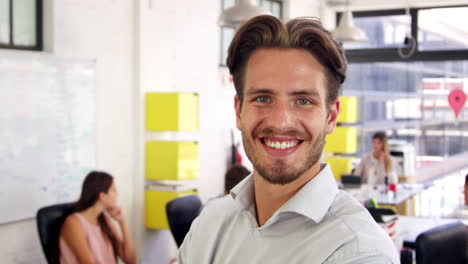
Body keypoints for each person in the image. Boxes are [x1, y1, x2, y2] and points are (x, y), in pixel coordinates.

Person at [178, 15, 399, 263]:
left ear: (331, 117)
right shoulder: (210, 224)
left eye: (303, 101)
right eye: (262, 98)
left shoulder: (359, 251)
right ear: (239, 111)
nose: (280, 122)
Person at [59, 171, 136, 264]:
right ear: (102, 196)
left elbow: (131, 260)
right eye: (114, 190)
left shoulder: (104, 220)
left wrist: (123, 222)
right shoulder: (74, 223)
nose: (117, 195)